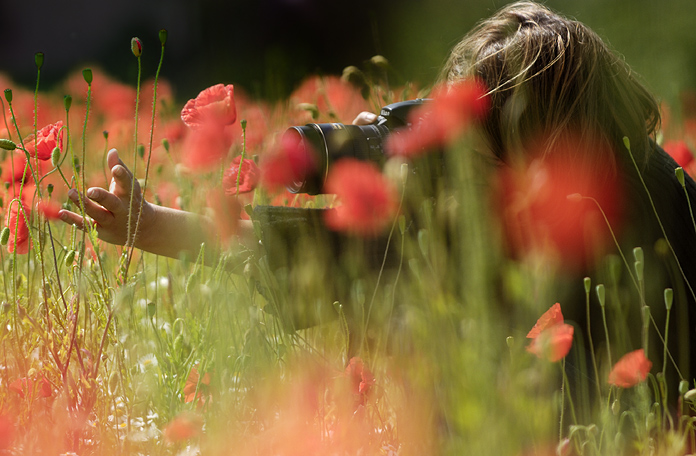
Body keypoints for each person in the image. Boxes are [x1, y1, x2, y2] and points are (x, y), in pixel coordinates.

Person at [59, 2, 696, 402]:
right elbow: (323, 254)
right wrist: (150, 225)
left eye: (466, 140)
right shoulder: (509, 201)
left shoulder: (655, 212)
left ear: (543, 148)